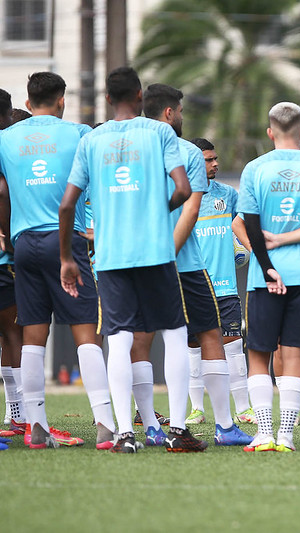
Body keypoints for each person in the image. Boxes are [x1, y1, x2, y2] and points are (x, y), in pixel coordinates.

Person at [59, 66, 205, 453]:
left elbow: (68, 204)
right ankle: (177, 430)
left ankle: (124, 432)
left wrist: (66, 258)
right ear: (140, 96)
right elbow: (183, 188)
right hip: (155, 251)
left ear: (107, 99)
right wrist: (159, 210)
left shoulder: (92, 140)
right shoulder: (159, 132)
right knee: (174, 334)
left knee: (119, 339)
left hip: (110, 255)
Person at [0, 72, 114, 449]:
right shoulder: (81, 133)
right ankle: (104, 423)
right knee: (86, 331)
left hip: (24, 244)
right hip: (66, 240)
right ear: (61, 100)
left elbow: (1, 188)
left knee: (33, 336)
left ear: (28, 102)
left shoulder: (5, 138)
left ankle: (36, 426)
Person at [133, 84, 250, 447]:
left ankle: (149, 426)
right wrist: (169, 253)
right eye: (180, 110)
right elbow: (191, 208)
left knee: (140, 340)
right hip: (182, 263)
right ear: (169, 112)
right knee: (209, 335)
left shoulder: (128, 151)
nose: (182, 116)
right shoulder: (186, 151)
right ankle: (224, 426)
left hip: (135, 261)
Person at [239, 101, 300, 452]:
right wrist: (287, 239)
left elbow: (248, 225)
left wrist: (267, 266)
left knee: (259, 354)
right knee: (294, 355)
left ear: (269, 132)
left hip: (263, 276)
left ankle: (263, 433)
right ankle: (286, 437)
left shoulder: (254, 169)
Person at [189, 137, 255, 425]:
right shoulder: (180, 198)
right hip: (193, 286)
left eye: (215, 158)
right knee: (193, 348)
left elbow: (243, 224)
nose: (215, 163)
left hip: (226, 288)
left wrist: (247, 249)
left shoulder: (228, 195)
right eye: (208, 159)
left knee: (233, 345)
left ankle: (243, 408)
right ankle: (196, 409)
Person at [0, 88, 24, 450]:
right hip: (7, 260)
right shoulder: (6, 144)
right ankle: (20, 414)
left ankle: (15, 414)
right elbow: (3, 192)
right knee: (14, 333)